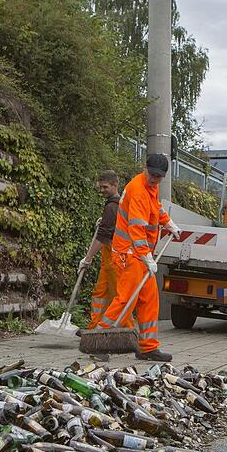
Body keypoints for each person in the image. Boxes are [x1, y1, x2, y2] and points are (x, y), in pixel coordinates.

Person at [99, 153, 182, 361]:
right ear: (145, 167)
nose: (155, 179)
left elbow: (156, 208)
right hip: (129, 253)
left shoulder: (150, 187)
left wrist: (168, 223)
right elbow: (137, 229)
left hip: (139, 255)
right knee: (125, 299)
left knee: (150, 299)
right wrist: (147, 257)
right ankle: (98, 340)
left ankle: (148, 347)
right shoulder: (137, 190)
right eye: (152, 174)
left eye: (159, 177)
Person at [80, 170, 121, 329]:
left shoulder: (112, 207)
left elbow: (102, 238)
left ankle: (127, 330)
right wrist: (104, 221)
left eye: (105, 187)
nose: (102, 190)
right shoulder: (116, 205)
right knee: (100, 294)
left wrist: (88, 258)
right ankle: (93, 328)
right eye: (100, 187)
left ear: (114, 185)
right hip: (108, 261)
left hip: (113, 259)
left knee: (117, 297)